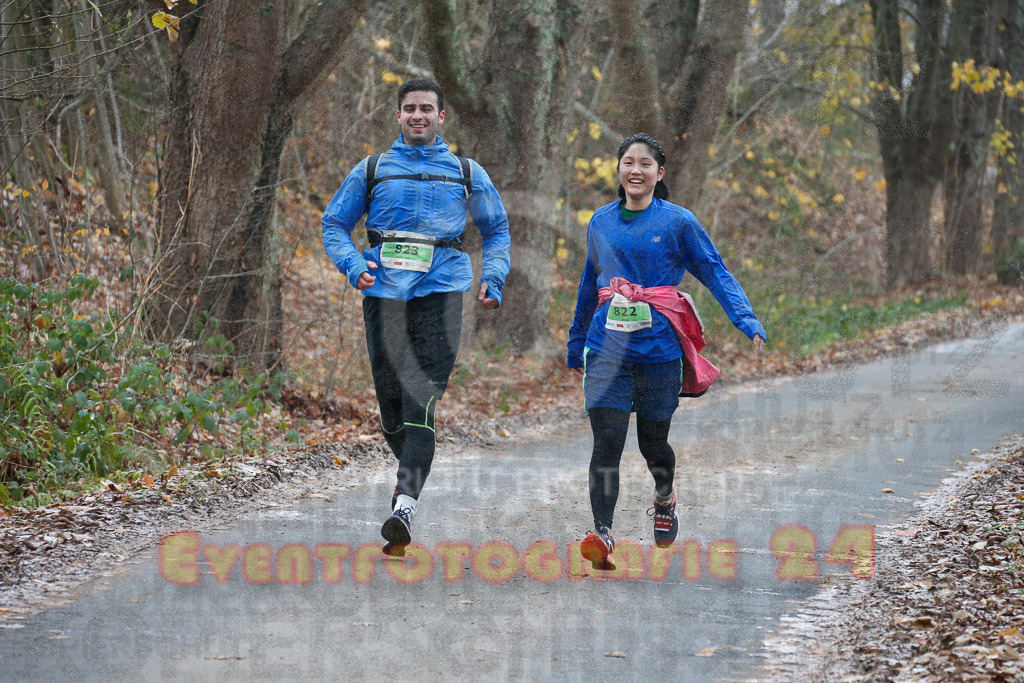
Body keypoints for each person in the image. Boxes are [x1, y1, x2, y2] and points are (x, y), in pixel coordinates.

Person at [322, 78, 511, 553]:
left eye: (427, 108)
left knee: (419, 399)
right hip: (384, 294)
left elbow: (497, 229)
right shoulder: (373, 169)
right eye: (410, 108)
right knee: (391, 413)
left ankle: (405, 505)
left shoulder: (467, 172)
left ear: (442, 116)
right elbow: (334, 224)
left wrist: (494, 277)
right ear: (399, 116)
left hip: (441, 291)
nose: (418, 115)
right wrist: (352, 265)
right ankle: (409, 479)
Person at [566, 133, 766, 569]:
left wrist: (745, 319)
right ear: (618, 170)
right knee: (607, 443)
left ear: (660, 172)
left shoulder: (677, 222)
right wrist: (576, 339)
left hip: (658, 351)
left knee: (653, 443)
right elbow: (589, 283)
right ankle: (602, 531)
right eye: (627, 163)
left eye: (644, 164)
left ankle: (664, 496)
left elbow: (714, 270)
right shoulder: (600, 221)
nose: (635, 170)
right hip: (606, 351)